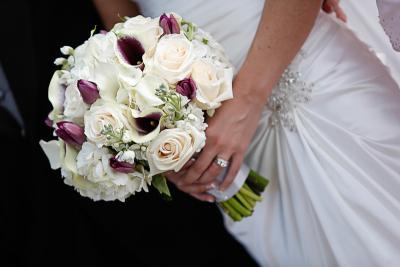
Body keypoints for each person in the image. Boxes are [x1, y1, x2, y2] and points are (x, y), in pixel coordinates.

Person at [93, 0, 400, 266]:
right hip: (216, 139)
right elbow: (123, 28)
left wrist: (247, 101)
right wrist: (155, 139)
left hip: (309, 73)